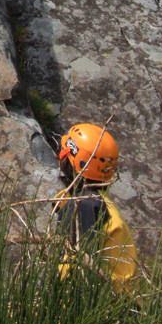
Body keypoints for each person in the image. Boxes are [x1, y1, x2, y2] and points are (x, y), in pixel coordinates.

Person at [52, 122, 137, 290]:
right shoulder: (101, 205)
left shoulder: (84, 207)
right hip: (119, 305)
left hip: (102, 307)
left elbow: (74, 273)